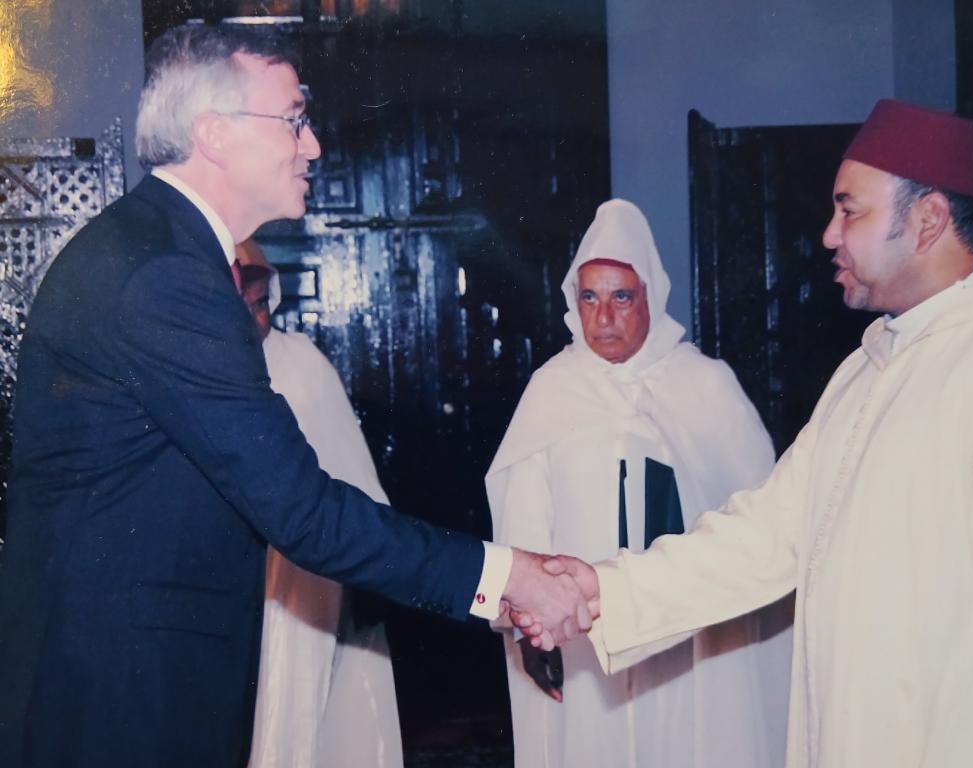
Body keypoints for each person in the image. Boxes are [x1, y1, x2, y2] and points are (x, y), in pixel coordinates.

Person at [0, 24, 589, 768]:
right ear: (213, 133)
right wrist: (506, 579)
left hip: (125, 682)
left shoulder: (157, 249)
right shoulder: (165, 278)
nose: (311, 145)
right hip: (120, 703)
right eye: (293, 119)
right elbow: (301, 512)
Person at [541, 99, 973, 767]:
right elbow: (766, 535)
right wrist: (601, 590)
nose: (828, 234)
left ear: (928, 220)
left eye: (850, 211)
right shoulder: (868, 367)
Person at [487, 199, 792, 767]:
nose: (603, 317)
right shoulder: (551, 390)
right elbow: (522, 519)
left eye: (621, 297)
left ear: (651, 295)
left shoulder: (705, 384)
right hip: (581, 631)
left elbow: (762, 515)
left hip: (691, 631)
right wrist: (526, 632)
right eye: (589, 298)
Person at [236, 250, 402, 768]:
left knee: (298, 704)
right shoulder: (199, 368)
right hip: (232, 570)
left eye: (261, 305)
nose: (254, 319)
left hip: (302, 572)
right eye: (240, 306)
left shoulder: (301, 361)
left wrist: (373, 572)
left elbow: (351, 467)